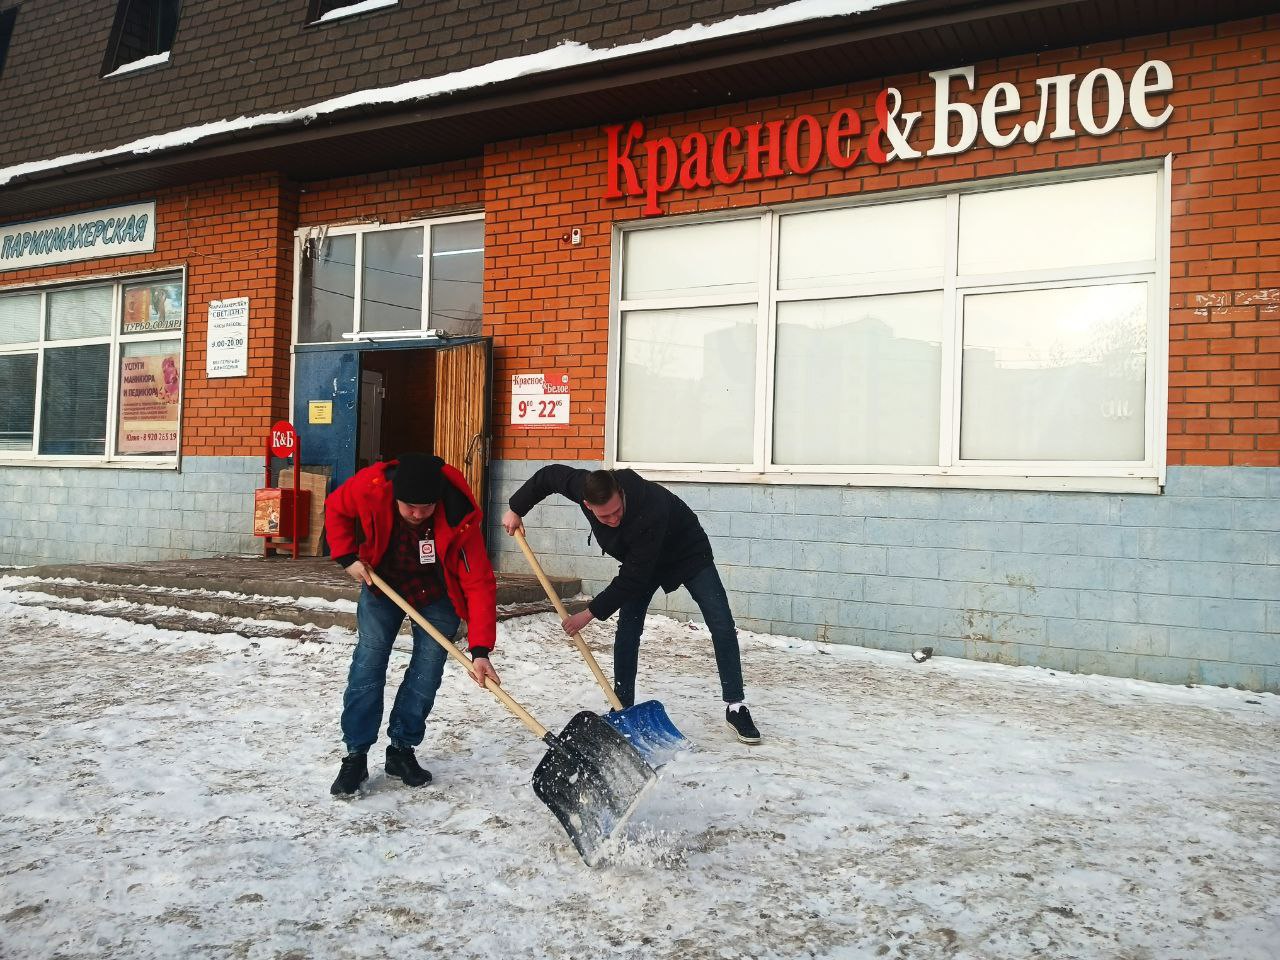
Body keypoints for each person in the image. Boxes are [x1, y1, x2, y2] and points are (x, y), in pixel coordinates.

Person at [502, 466, 760, 744]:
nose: (613, 519)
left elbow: (634, 577)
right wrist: (516, 509)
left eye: (617, 511)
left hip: (687, 553)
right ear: (587, 505)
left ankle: (736, 706)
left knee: (721, 623)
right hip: (641, 560)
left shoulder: (650, 507)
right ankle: (621, 704)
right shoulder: (583, 486)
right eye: (604, 515)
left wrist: (588, 613)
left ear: (621, 493)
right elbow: (548, 476)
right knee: (627, 630)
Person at [325, 453, 499, 796]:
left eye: (425, 507)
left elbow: (479, 582)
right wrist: (347, 557)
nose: (418, 514)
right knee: (369, 662)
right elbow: (335, 508)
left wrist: (480, 650)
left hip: (437, 593)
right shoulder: (371, 488)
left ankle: (401, 750)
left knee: (427, 670)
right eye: (409, 507)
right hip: (382, 584)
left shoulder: (458, 514)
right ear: (395, 497)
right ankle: (355, 755)